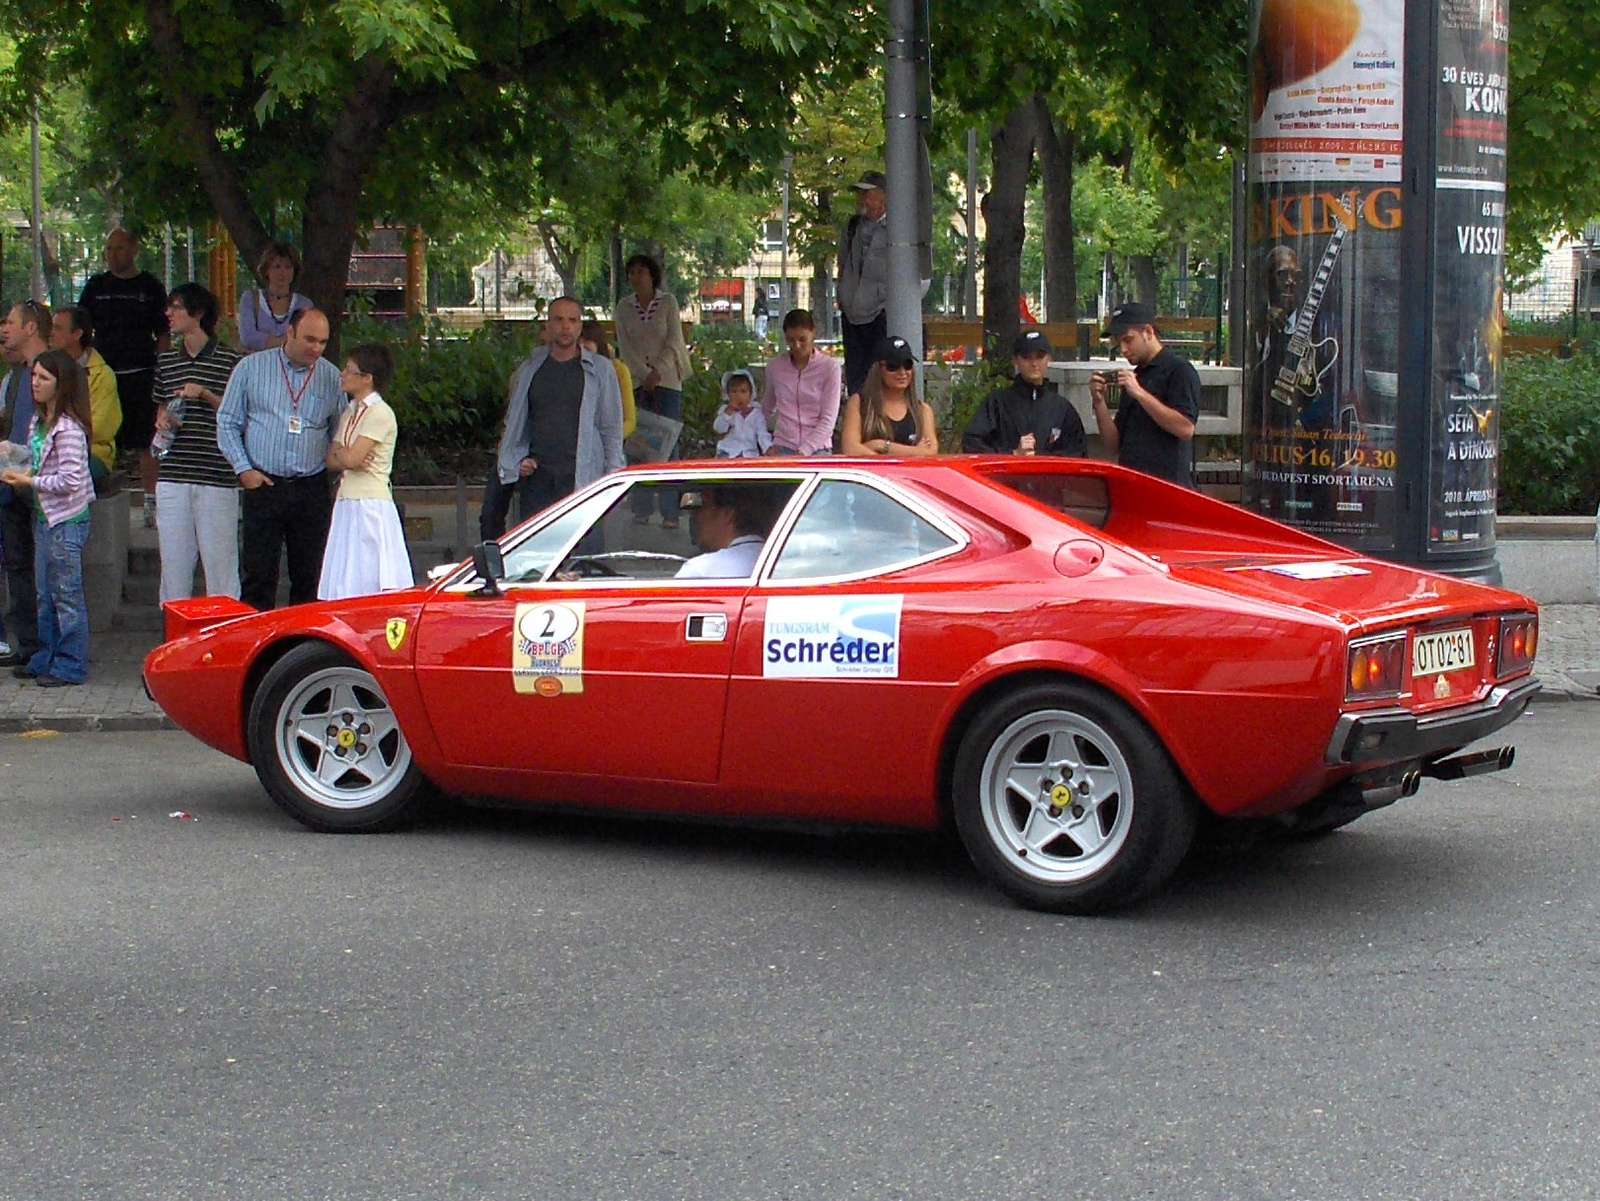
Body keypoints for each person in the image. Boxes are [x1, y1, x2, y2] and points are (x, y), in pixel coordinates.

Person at [216, 307, 346, 609]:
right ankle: (256, 647)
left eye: (323, 342)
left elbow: (338, 430)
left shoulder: (329, 376)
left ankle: (302, 650)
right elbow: (227, 421)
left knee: (310, 576)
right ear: (290, 333)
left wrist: (338, 477)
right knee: (259, 575)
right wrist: (243, 469)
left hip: (310, 487)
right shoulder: (250, 368)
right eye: (309, 340)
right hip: (264, 483)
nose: (316, 348)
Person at [481, 296, 626, 540]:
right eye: (558, 320)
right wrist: (518, 459)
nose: (565, 326)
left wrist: (614, 477)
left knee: (583, 559)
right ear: (547, 325)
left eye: (572, 320)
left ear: (580, 326)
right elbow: (517, 422)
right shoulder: (530, 368)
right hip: (538, 478)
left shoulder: (600, 369)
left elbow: (610, 427)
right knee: (537, 556)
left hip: (583, 477)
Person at [0, 350, 95, 686]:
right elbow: (38, 460)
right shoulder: (38, 422)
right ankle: (47, 656)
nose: (35, 384)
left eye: (43, 378)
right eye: (34, 376)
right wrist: (14, 455)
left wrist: (29, 481)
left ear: (61, 384)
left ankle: (70, 664)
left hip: (66, 521)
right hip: (45, 519)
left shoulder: (68, 428)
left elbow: (70, 480)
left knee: (66, 595)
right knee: (45, 594)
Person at [151, 284, 245, 602]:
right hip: (174, 473)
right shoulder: (166, 363)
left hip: (216, 475)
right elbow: (161, 408)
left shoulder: (231, 361)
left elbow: (239, 415)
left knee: (220, 570)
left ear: (198, 313)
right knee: (173, 571)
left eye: (176, 307)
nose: (169, 314)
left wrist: (205, 394)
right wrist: (163, 419)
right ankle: (174, 643)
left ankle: (227, 643)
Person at [77, 229, 169, 525]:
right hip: (104, 378)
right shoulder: (96, 286)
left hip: (141, 376)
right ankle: (93, 499)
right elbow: (81, 329)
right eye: (109, 248)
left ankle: (151, 503)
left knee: (146, 442)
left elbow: (163, 333)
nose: (113, 253)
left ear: (133, 250)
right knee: (101, 438)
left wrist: (160, 369)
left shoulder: (150, 287)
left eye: (118, 247)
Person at [318, 344, 413, 600]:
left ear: (367, 378)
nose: (343, 374)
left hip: (370, 504)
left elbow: (351, 457)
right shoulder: (350, 410)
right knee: (345, 574)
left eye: (350, 371)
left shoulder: (380, 413)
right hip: (347, 499)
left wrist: (345, 454)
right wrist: (345, 454)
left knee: (369, 573)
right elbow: (334, 458)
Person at [613, 254, 690, 528]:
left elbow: (675, 340)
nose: (636, 277)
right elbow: (624, 345)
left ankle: (671, 511)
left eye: (641, 271)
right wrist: (644, 375)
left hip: (668, 381)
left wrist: (659, 370)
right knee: (639, 443)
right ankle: (642, 507)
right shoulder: (623, 307)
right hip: (636, 381)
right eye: (632, 272)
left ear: (652, 275)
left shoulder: (667, 302)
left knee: (668, 442)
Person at [1089, 302, 1200, 488]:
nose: (1124, 349)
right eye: (1119, 343)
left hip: (1168, 488)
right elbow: (1113, 444)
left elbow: (1186, 428)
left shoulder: (1179, 371)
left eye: (1128, 340)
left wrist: (1140, 394)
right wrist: (1100, 403)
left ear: (1148, 332)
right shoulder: (1135, 376)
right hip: (1132, 486)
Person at [0, 299, 50, 668]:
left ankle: (51, 648)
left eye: (11, 322)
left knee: (48, 568)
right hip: (12, 482)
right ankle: (28, 644)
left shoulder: (53, 370)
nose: (4, 329)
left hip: (43, 484)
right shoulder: (16, 375)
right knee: (17, 564)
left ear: (30, 328)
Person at [962, 329, 1086, 457]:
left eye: (1039, 356)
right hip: (1005, 476)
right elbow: (972, 443)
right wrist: (1012, 454)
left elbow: (1078, 453)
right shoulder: (997, 403)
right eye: (1026, 357)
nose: (1034, 364)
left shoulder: (1062, 409)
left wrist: (1044, 461)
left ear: (1049, 358)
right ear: (1016, 360)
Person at [48, 305, 123, 487]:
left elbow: (101, 427)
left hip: (92, 453)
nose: (50, 333)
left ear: (77, 334)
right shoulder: (47, 369)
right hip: (50, 449)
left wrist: (61, 439)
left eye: (58, 328)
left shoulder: (103, 375)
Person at [840, 335, 938, 458]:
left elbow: (930, 453)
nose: (902, 372)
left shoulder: (923, 410)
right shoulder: (859, 403)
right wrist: (914, 451)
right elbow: (851, 449)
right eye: (893, 366)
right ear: (878, 370)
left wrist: (882, 445)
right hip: (873, 475)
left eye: (907, 365)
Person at [761, 308, 842, 456]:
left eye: (802, 339)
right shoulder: (775, 367)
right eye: (791, 340)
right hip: (782, 446)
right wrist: (764, 442)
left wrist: (805, 451)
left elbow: (828, 419)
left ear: (813, 333)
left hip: (818, 448)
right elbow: (766, 409)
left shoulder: (830, 368)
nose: (796, 346)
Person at [837, 170, 889, 397]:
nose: (861, 200)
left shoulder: (898, 228)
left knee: (880, 376)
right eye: (859, 194)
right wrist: (843, 295)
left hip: (880, 314)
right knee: (856, 380)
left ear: (884, 196)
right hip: (851, 313)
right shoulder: (853, 226)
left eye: (867, 193)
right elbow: (843, 263)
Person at [674, 485, 785, 579]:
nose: (694, 515)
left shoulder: (700, 571)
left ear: (727, 514)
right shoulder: (790, 564)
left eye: (702, 507)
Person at [237, 241, 314, 353]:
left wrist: (265, 342)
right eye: (277, 267)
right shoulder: (250, 299)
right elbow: (248, 338)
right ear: (267, 270)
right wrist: (289, 342)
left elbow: (306, 340)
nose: (282, 272)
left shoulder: (305, 305)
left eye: (288, 267)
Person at [580, 320, 636, 438]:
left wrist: (608, 440)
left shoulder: (618, 370)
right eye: (578, 341)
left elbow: (629, 420)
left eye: (587, 340)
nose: (581, 346)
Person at [714, 370, 771, 458]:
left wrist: (767, 448)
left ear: (751, 394)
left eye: (743, 391)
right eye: (734, 391)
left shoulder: (756, 413)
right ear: (728, 394)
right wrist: (728, 413)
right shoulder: (725, 410)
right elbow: (719, 428)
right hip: (727, 452)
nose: (738, 395)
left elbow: (762, 434)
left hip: (749, 454)